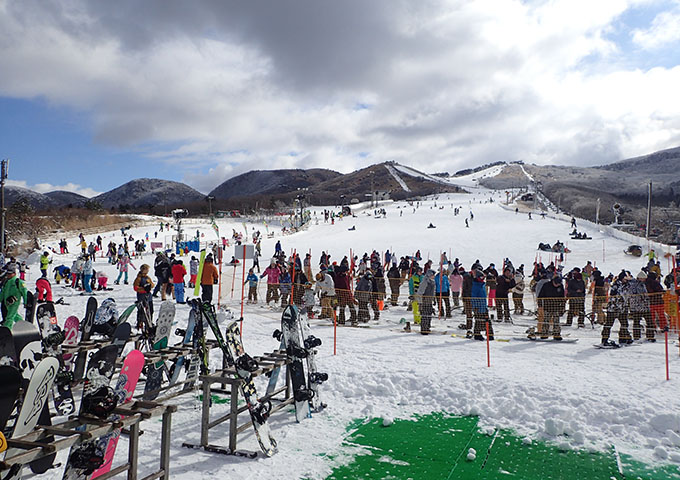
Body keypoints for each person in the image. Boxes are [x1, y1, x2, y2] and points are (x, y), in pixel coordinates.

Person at [601, 271, 633, 346]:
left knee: (624, 324)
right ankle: (604, 339)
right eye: (625, 279)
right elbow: (614, 295)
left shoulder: (627, 285)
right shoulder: (616, 285)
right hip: (613, 308)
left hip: (623, 308)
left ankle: (623, 338)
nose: (626, 280)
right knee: (609, 324)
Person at [536, 274, 566, 340]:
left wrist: (562, 307)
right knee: (546, 320)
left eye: (558, 284)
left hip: (557, 306)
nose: (557, 285)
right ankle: (544, 333)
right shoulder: (546, 285)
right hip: (547, 306)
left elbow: (562, 297)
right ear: (553, 282)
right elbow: (540, 296)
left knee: (556, 321)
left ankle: (556, 334)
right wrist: (540, 305)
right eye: (556, 284)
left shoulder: (560, 286)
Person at [0, 264, 27, 329]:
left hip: (14, 302)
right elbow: (3, 292)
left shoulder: (18, 282)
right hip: (7, 303)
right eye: (7, 274)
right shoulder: (6, 282)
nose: (8, 275)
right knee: (15, 316)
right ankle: (24, 326)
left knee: (9, 317)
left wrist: (26, 302)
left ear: (14, 274)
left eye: (10, 274)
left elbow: (24, 292)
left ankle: (7, 330)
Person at [628, 271, 652, 341]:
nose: (645, 280)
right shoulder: (634, 285)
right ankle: (637, 336)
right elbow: (634, 294)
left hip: (644, 306)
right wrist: (643, 297)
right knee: (637, 322)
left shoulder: (642, 284)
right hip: (637, 307)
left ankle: (650, 336)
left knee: (649, 322)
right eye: (644, 278)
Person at [470, 267, 492, 341]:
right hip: (478, 308)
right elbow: (473, 297)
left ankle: (490, 334)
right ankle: (477, 334)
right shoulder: (475, 286)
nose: (483, 278)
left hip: (483, 306)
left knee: (487, 321)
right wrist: (475, 307)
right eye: (481, 277)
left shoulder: (482, 285)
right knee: (479, 321)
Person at [417, 270, 436, 334]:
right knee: (425, 315)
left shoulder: (432, 282)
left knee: (429, 314)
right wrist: (420, 302)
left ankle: (427, 327)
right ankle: (424, 329)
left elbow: (433, 292)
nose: (434, 276)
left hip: (429, 301)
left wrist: (434, 299)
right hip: (424, 301)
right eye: (433, 275)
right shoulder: (425, 282)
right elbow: (420, 292)